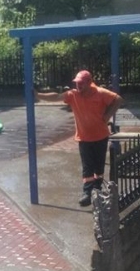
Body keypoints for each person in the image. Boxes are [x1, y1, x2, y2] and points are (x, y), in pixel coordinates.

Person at [36, 70, 124, 206]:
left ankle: (97, 188)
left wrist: (107, 116)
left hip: (100, 136)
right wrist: (38, 95)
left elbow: (118, 100)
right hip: (84, 138)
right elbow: (57, 96)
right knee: (87, 166)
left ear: (89, 82)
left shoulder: (100, 93)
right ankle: (87, 192)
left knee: (99, 165)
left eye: (81, 83)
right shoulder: (73, 95)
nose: (78, 85)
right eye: (77, 83)